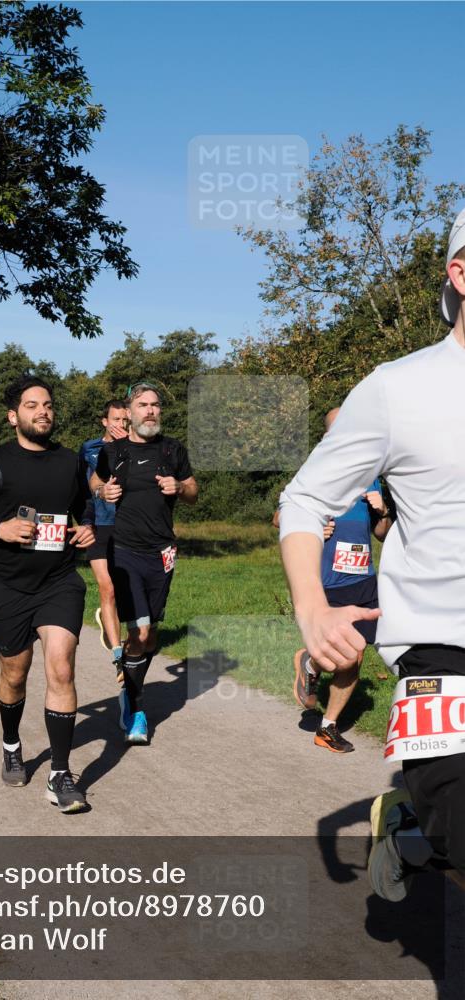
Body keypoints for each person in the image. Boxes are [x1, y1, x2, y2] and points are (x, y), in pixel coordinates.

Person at [278, 208, 465, 900]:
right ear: (460, 272)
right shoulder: (398, 388)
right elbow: (304, 501)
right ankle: (428, 832)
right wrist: (313, 608)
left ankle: (415, 836)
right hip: (440, 646)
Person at [0, 375, 96, 813]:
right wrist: (0, 529)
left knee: (61, 668)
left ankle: (59, 775)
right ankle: (12, 744)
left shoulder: (70, 462)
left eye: (48, 404)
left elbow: (82, 508)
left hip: (59, 581)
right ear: (14, 416)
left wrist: (84, 528)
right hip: (9, 585)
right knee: (14, 674)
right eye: (32, 405)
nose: (43, 411)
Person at [274, 408, 394, 753]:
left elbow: (382, 534)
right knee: (347, 656)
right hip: (327, 583)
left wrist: (382, 511)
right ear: (328, 436)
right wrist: (316, 527)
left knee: (357, 657)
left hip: (364, 580)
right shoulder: (317, 472)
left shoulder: (372, 475)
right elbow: (280, 515)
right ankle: (310, 663)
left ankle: (327, 727)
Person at [90, 381, 198, 746]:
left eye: (155, 405)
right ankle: (135, 707)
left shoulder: (172, 449)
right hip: (125, 550)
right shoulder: (114, 451)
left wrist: (179, 489)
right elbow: (94, 480)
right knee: (139, 628)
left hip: (163, 551)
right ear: (131, 412)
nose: (150, 411)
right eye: (143, 405)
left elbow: (194, 491)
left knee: (149, 633)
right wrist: (102, 491)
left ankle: (128, 685)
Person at [79, 399, 129, 681]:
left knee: (123, 590)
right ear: (104, 421)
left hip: (126, 526)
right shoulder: (89, 449)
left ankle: (109, 621)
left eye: (125, 420)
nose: (121, 425)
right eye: (116, 419)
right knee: (107, 588)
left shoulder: (135, 447)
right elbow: (80, 486)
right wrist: (84, 520)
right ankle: (118, 656)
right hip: (98, 524)